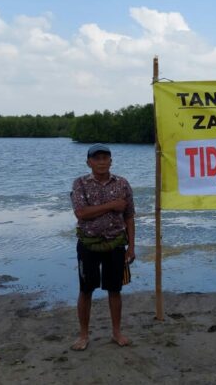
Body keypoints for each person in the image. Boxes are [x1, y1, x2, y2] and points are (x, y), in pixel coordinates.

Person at [69, 143, 136, 351]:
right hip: (88, 244)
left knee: (115, 290)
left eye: (105, 158)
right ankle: (83, 335)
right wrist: (111, 205)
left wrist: (131, 247)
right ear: (88, 162)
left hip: (116, 244)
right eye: (96, 158)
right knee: (86, 290)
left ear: (111, 161)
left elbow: (129, 216)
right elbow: (81, 213)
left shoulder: (123, 184)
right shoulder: (80, 183)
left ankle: (116, 332)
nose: (101, 162)